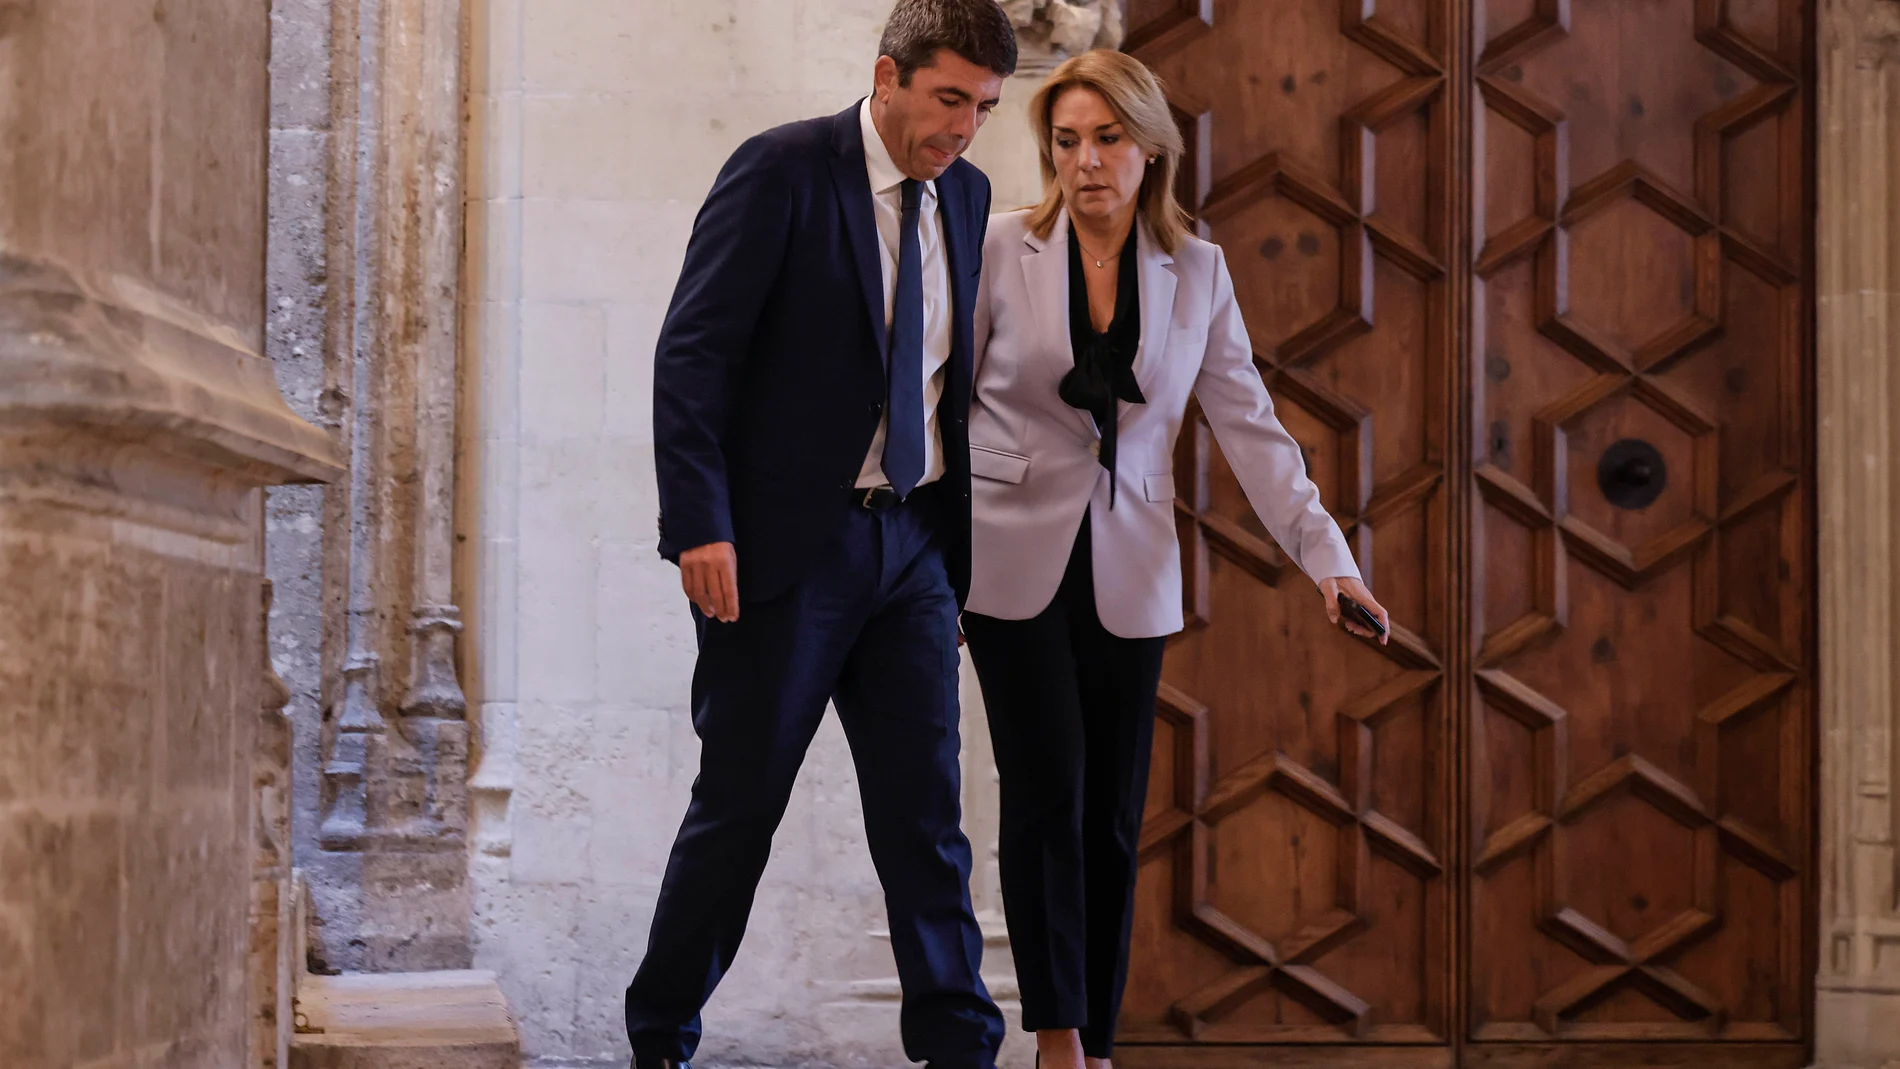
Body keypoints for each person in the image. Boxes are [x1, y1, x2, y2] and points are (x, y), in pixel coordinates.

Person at [959, 50, 1392, 1069]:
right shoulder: (995, 250)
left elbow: (1249, 423)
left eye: (1107, 139)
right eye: (1066, 141)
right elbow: (939, 395)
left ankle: (1098, 1042)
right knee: (1044, 794)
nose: (1086, 162)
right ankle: (1057, 1039)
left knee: (1110, 816)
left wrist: (1329, 561)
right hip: (1009, 557)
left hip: (1131, 564)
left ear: (1149, 147)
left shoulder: (1195, 270)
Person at [631, 3, 1018, 1067]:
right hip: (786, 557)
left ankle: (958, 1048)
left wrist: (952, 563)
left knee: (926, 825)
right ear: (887, 76)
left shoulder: (968, 197)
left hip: (914, 553)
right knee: (740, 809)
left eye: (983, 108)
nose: (964, 130)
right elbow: (693, 356)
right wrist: (700, 525)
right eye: (948, 100)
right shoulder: (782, 170)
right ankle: (659, 1036)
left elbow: (944, 386)